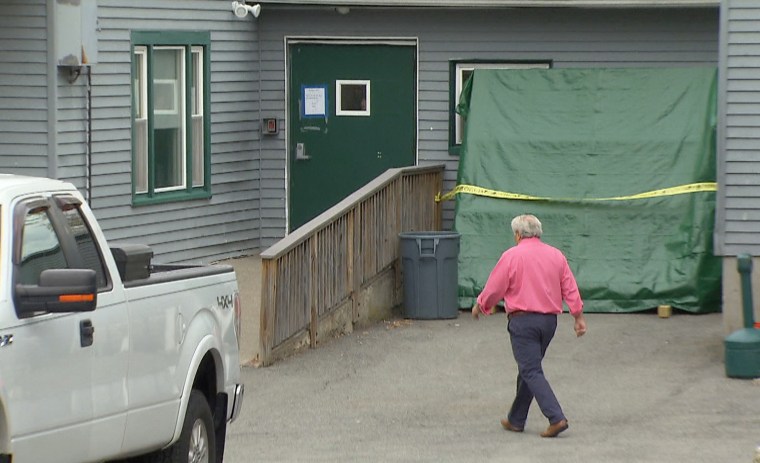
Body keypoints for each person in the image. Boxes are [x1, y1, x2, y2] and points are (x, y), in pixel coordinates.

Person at [472, 214, 587, 438]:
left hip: (523, 321)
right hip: (548, 323)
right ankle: (516, 419)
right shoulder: (556, 255)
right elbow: (570, 288)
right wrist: (578, 317)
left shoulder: (511, 256)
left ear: (517, 234)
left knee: (531, 370)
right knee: (529, 367)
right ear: (538, 232)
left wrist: (481, 305)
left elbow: (495, 287)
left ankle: (556, 417)